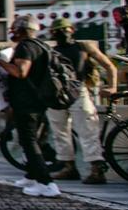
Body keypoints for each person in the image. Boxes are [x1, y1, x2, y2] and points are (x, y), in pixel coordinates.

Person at [0, 15, 60, 197]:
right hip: (38, 101)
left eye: (14, 30)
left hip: (27, 103)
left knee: (29, 142)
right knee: (29, 141)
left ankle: (46, 184)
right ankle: (32, 175)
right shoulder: (41, 45)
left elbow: (21, 72)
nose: (11, 33)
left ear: (21, 30)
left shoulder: (25, 46)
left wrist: (0, 62)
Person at [47, 18, 117, 185]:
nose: (63, 33)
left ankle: (96, 169)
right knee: (60, 132)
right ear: (53, 33)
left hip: (78, 91)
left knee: (88, 130)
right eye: (59, 31)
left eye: (65, 30)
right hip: (56, 94)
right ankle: (68, 167)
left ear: (72, 30)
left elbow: (109, 65)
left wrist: (113, 87)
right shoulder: (50, 51)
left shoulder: (84, 47)